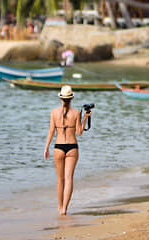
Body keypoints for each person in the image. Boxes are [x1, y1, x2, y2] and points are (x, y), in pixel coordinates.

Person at [43, 85, 91, 215]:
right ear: (72, 98)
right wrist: (85, 117)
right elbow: (79, 132)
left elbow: (51, 131)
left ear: (61, 98)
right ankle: (65, 208)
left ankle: (59, 208)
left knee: (60, 179)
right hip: (72, 148)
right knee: (69, 178)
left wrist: (46, 147)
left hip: (58, 147)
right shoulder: (76, 113)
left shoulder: (54, 112)